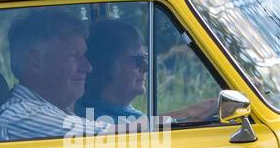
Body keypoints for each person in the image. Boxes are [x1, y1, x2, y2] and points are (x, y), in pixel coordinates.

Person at [0, 9, 118, 143]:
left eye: (83, 55)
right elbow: (117, 137)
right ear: (36, 62)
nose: (87, 67)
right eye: (74, 56)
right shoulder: (21, 116)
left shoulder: (50, 111)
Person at [78, 18, 217, 125]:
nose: (146, 67)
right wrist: (193, 112)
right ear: (106, 65)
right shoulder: (93, 121)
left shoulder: (108, 114)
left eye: (145, 57)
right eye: (137, 60)